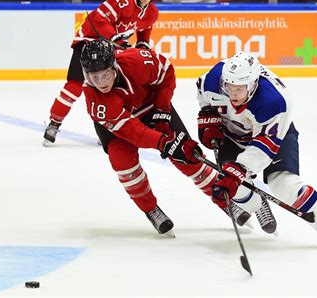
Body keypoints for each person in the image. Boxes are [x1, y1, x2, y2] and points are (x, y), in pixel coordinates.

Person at [77, 39, 250, 236]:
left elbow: (166, 72)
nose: (101, 83)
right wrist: (163, 142)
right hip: (120, 127)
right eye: (94, 78)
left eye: (105, 75)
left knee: (187, 156)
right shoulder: (96, 102)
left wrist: (162, 109)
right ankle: (151, 209)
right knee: (123, 164)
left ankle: (224, 200)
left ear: (114, 66)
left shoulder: (137, 61)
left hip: (152, 106)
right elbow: (133, 131)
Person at [196, 51, 317, 248]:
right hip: (232, 134)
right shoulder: (213, 80)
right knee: (234, 187)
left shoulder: (275, 101)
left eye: (239, 89)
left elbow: (264, 146)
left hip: (274, 136)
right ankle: (257, 203)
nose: (232, 93)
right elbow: (203, 95)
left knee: (284, 184)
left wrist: (241, 168)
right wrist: (208, 115)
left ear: (253, 85)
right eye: (229, 87)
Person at [43, 0, 160, 146]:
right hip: (89, 41)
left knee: (109, 91)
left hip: (109, 48)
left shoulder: (151, 12)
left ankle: (107, 129)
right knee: (75, 86)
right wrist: (116, 39)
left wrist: (142, 44)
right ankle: (54, 123)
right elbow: (98, 19)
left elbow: (144, 30)